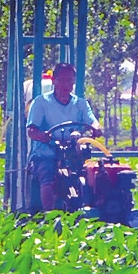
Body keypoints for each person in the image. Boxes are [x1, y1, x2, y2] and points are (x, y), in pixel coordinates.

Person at [25, 62, 99, 211]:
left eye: (70, 81)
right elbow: (31, 131)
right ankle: (49, 216)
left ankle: (94, 210)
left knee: (98, 175)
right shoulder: (41, 103)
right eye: (62, 80)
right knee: (48, 173)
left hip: (74, 155)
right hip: (46, 155)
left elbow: (93, 122)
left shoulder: (81, 104)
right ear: (54, 80)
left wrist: (96, 129)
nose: (66, 85)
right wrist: (43, 136)